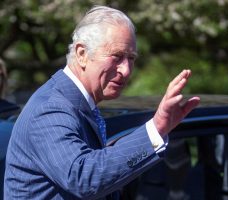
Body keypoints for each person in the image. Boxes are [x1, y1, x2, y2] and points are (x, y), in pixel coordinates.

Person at [4, 5, 200, 199]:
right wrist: (155, 129)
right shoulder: (51, 108)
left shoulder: (77, 104)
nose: (126, 70)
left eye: (131, 58)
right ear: (82, 54)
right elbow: (83, 178)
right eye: (117, 56)